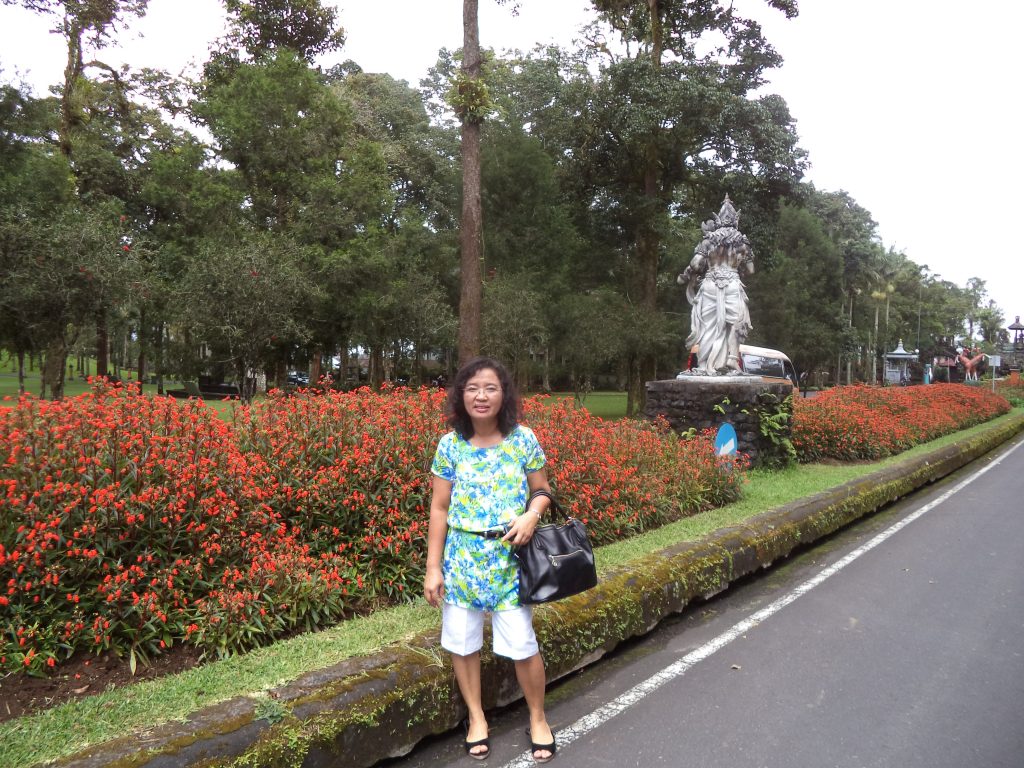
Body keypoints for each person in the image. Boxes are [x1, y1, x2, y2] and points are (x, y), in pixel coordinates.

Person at [425, 357, 557, 763]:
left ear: (504, 395)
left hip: (510, 561)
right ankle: (477, 717)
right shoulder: (450, 445)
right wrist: (433, 567)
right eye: (472, 388)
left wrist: (531, 516)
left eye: (490, 388)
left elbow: (543, 490)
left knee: (522, 643)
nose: (481, 396)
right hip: (463, 561)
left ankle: (538, 717)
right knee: (462, 643)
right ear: (461, 396)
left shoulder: (522, 439)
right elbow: (439, 508)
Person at [677, 195, 754, 376]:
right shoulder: (742, 243)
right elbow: (751, 270)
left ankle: (704, 365)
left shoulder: (708, 240)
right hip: (732, 283)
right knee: (737, 322)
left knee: (708, 325)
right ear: (735, 221)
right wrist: (738, 265)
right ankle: (732, 360)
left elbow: (696, 264)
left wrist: (689, 274)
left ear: (718, 220)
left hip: (710, 284)